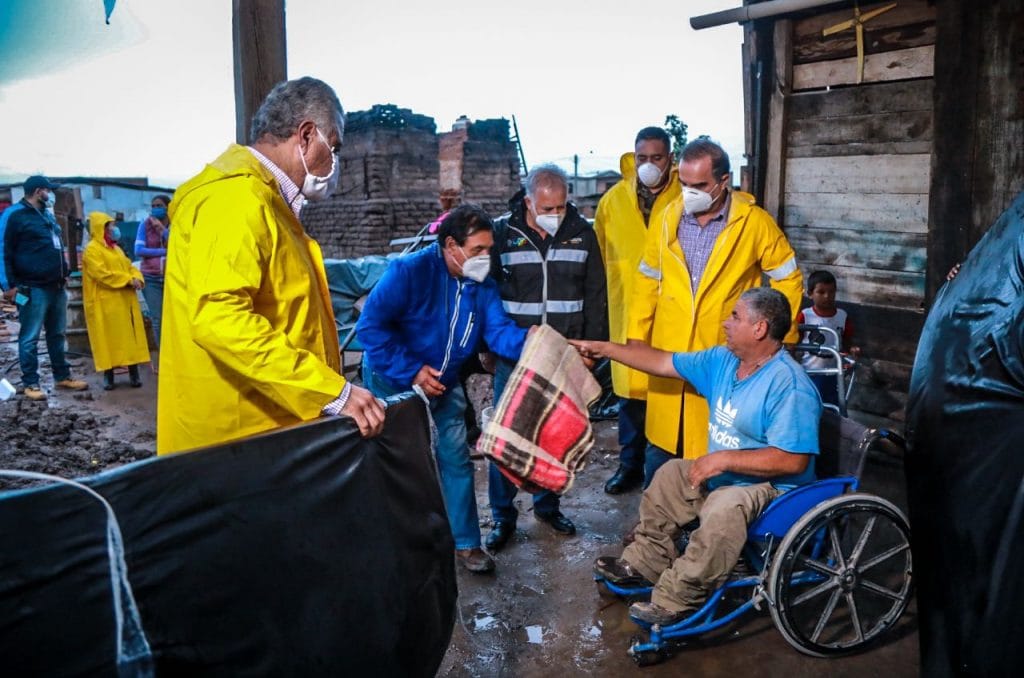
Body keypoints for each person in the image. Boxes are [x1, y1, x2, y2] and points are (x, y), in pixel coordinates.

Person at [157, 76, 385, 454]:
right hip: (237, 440)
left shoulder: (264, 200)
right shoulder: (235, 199)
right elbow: (220, 318)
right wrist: (331, 391)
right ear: (308, 136)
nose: (336, 161)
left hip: (265, 428)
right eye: (336, 147)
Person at [572, 287, 822, 625]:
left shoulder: (789, 385)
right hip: (729, 478)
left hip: (773, 490)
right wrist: (603, 349)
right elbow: (661, 361)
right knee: (670, 475)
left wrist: (724, 460)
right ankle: (644, 563)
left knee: (723, 506)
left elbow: (793, 461)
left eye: (735, 316)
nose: (725, 323)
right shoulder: (722, 361)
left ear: (760, 328)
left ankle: (678, 598)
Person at [356, 204, 528, 573]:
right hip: (393, 378)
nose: (487, 257)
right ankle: (403, 542)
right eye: (478, 249)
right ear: (451, 244)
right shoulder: (408, 272)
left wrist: (538, 343)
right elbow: (371, 329)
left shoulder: (482, 285)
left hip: (443, 382)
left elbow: (499, 333)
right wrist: (413, 371)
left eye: (490, 249)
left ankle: (466, 544)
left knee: (455, 457)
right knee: (400, 462)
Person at [629, 138, 803, 483]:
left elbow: (788, 279)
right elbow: (647, 281)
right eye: (684, 184)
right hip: (670, 348)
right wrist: (637, 335)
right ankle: (654, 526)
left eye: (699, 185)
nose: (689, 192)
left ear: (724, 181)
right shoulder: (667, 219)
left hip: (723, 354)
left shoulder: (753, 223)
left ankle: (699, 531)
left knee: (713, 448)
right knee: (660, 448)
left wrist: (777, 337)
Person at [484, 164, 608, 550]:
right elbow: (486, 296)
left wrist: (592, 350)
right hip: (515, 355)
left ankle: (547, 506)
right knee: (506, 437)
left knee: (553, 434)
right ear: (528, 202)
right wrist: (486, 349)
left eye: (560, 207)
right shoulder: (503, 234)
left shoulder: (583, 234)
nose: (555, 215)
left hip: (563, 356)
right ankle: (503, 517)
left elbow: (596, 297)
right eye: (546, 208)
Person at [594, 127, 681, 495]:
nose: (649, 165)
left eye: (657, 158)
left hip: (673, 314)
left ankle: (661, 476)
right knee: (630, 398)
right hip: (627, 309)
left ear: (670, 160)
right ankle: (629, 465)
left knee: (669, 396)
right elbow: (599, 259)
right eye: (642, 158)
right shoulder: (613, 202)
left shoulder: (685, 198)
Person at [1, 175, 89, 400]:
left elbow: (55, 247)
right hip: (32, 288)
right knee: (30, 337)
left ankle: (62, 376)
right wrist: (8, 286)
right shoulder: (14, 215)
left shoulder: (46, 216)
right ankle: (31, 383)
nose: (52, 195)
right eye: (49, 191)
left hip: (56, 286)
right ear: (39, 191)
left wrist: (65, 271)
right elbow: (3, 250)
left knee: (57, 334)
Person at [82, 212, 150, 389]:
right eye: (110, 225)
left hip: (124, 299)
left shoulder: (116, 249)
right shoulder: (92, 250)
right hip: (106, 302)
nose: (114, 228)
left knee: (129, 337)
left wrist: (137, 278)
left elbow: (129, 267)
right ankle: (109, 375)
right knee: (108, 339)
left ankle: (134, 373)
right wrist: (128, 280)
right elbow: (101, 274)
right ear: (101, 228)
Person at [796, 269, 860, 408]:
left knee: (833, 406)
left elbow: (847, 341)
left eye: (832, 292)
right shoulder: (805, 316)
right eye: (821, 292)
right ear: (810, 294)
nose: (827, 296)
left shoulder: (842, 316)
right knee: (812, 405)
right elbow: (795, 342)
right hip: (810, 372)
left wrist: (852, 351)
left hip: (834, 372)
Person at [134, 194, 171, 352]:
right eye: (153, 206)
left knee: (174, 318)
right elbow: (139, 250)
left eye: (159, 205)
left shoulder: (175, 224)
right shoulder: (145, 225)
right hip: (152, 277)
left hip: (172, 277)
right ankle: (163, 355)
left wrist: (162, 231)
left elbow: (180, 245)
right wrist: (165, 251)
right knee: (157, 319)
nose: (156, 209)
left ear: (168, 207)